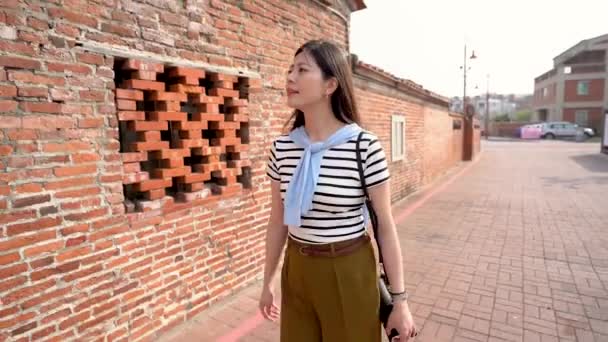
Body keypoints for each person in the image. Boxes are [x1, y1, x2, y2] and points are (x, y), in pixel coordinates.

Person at [258, 39, 417, 341]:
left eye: (302, 70)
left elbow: (384, 226)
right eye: (290, 69)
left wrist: (400, 301)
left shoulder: (363, 146)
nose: (290, 77)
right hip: (298, 268)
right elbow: (277, 220)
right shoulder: (282, 148)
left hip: (347, 268)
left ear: (330, 85)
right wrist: (268, 281)